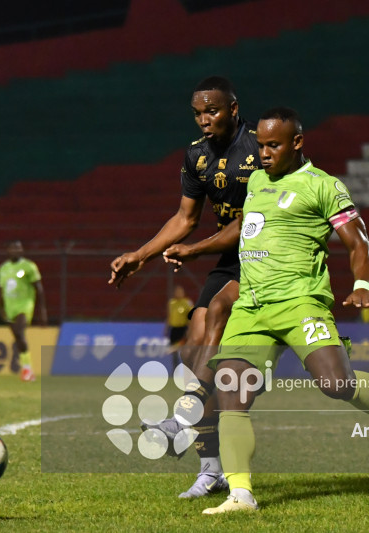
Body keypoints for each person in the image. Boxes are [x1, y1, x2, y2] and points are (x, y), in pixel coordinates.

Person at [190, 108, 369, 514]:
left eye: (274, 145)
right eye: (261, 145)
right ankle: (241, 495)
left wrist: (362, 285)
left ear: (297, 143)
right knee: (232, 395)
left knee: (336, 384)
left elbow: (358, 242)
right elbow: (248, 224)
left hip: (300, 302)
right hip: (252, 305)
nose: (265, 154)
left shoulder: (323, 186)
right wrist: (197, 247)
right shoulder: (256, 180)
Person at [108, 76, 261, 498]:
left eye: (211, 110)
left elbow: (250, 221)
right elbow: (184, 218)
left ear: (233, 108)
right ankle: (210, 468)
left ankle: (185, 418)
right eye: (197, 113)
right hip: (229, 259)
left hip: (267, 257)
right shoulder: (196, 156)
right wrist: (139, 255)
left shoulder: (260, 146)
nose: (204, 119)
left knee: (219, 332)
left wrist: (194, 251)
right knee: (194, 351)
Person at [0, 240, 48, 382]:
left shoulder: (29, 266)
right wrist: (1, 307)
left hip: (24, 305)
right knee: (18, 338)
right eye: (13, 248)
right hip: (10, 306)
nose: (16, 251)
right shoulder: (3, 268)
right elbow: (1, 290)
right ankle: (27, 368)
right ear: (8, 250)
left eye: (19, 248)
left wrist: (42, 310)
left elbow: (39, 288)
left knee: (20, 332)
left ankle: (27, 370)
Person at [167, 285, 193, 369]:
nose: (179, 293)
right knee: (174, 352)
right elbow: (169, 316)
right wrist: (166, 328)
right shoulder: (171, 302)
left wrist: (189, 329)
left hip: (183, 329)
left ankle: (188, 369)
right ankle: (175, 370)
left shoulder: (187, 302)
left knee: (185, 352)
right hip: (174, 329)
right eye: (177, 291)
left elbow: (191, 316)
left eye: (180, 291)